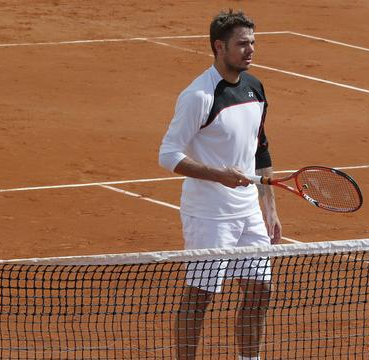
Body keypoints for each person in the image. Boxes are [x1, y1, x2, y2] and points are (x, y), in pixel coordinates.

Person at [158, 9, 282, 360]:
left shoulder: (255, 88)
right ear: (219, 47)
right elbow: (167, 155)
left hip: (248, 214)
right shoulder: (199, 96)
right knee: (199, 299)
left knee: (260, 291)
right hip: (209, 215)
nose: (250, 50)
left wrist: (269, 207)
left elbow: (261, 149)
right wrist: (220, 175)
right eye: (242, 44)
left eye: (253, 43)